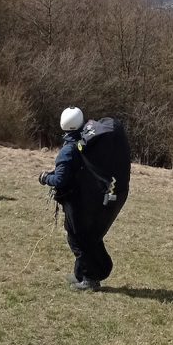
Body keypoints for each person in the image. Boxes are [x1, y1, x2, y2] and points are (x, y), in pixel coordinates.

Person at [38, 107, 130, 291]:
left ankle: (90, 279)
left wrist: (44, 178)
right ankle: (83, 273)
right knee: (88, 237)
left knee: (79, 239)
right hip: (101, 197)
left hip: (80, 202)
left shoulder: (69, 149)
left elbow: (60, 179)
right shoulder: (90, 141)